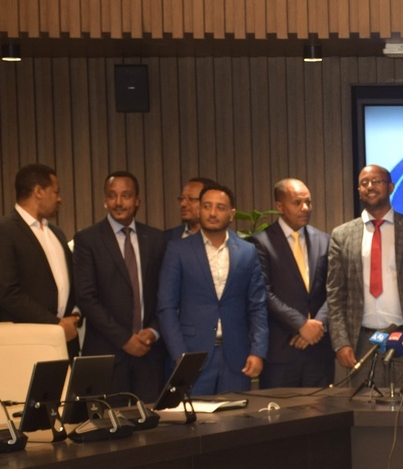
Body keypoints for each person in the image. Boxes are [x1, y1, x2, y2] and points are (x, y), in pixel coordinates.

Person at [327, 165, 403, 387]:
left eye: (377, 181)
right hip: (360, 343)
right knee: (362, 405)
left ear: (391, 187)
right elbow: (335, 295)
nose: (370, 187)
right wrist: (340, 342)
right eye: (364, 183)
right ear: (358, 190)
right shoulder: (342, 234)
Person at [157, 183, 268, 395]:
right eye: (207, 206)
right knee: (195, 415)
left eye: (220, 207)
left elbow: (258, 306)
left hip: (237, 356)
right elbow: (166, 307)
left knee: (237, 414)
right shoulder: (178, 250)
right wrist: (179, 353)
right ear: (199, 210)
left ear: (231, 214)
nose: (213, 213)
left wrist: (258, 351)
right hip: (191, 354)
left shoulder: (247, 251)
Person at [74, 172, 167, 402]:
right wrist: (125, 339)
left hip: (149, 353)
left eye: (125, 196)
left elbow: (166, 295)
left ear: (137, 201)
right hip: (107, 354)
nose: (118, 202)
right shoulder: (87, 239)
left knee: (152, 421)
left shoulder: (157, 239)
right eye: (112, 196)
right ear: (105, 200)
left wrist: (154, 331)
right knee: (110, 421)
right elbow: (86, 297)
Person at [249, 178, 333, 388]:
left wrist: (316, 325)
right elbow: (264, 293)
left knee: (322, 408)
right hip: (281, 351)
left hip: (318, 350)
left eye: (308, 202)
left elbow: (334, 290)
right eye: (297, 203)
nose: (305, 208)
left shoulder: (324, 240)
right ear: (279, 206)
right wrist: (301, 325)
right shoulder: (261, 242)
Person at [0, 164, 81, 358]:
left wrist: (75, 314)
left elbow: (71, 283)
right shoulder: (5, 230)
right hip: (28, 345)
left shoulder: (56, 233)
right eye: (56, 192)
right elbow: (8, 293)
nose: (59, 198)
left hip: (65, 340)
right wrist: (56, 324)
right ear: (38, 191)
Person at [164, 177, 217, 241]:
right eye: (181, 199)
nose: (183, 204)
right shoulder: (167, 238)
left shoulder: (225, 238)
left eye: (191, 199)